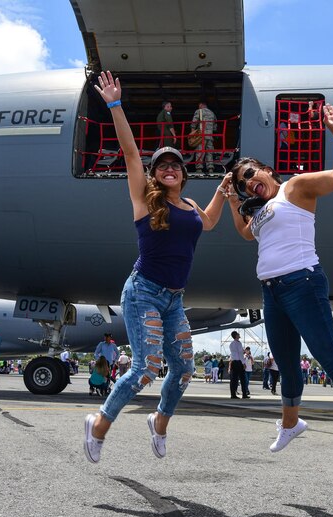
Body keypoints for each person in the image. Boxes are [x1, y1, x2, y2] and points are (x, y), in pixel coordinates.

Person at [225, 103, 333, 475]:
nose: (249, 183)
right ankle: (290, 423)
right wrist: (233, 199)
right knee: (286, 363)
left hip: (303, 283)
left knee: (329, 358)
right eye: (243, 183)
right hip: (272, 292)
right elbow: (245, 233)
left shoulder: (295, 188)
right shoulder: (261, 210)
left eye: (250, 174)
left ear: (267, 170)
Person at [83, 71, 228, 464]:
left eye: (175, 165)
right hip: (143, 292)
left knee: (184, 369)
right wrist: (115, 105)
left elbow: (209, 224)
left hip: (174, 300)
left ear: (183, 174)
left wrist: (221, 192)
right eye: (162, 165)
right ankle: (98, 424)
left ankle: (159, 421)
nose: (169, 168)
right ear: (155, 173)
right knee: (145, 368)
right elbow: (132, 154)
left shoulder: (190, 205)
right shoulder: (146, 200)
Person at [190, 101, 217, 174]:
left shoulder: (199, 111)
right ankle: (210, 168)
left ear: (201, 105)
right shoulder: (212, 113)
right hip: (210, 136)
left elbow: (194, 122)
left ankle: (199, 169)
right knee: (209, 152)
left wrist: (192, 133)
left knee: (200, 152)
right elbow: (215, 127)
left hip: (201, 136)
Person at [228, 330, 249, 399]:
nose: (239, 335)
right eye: (238, 334)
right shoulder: (238, 343)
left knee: (233, 379)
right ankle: (244, 394)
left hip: (233, 362)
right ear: (236, 336)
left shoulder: (231, 344)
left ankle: (233, 394)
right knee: (243, 379)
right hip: (239, 362)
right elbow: (240, 354)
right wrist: (243, 363)